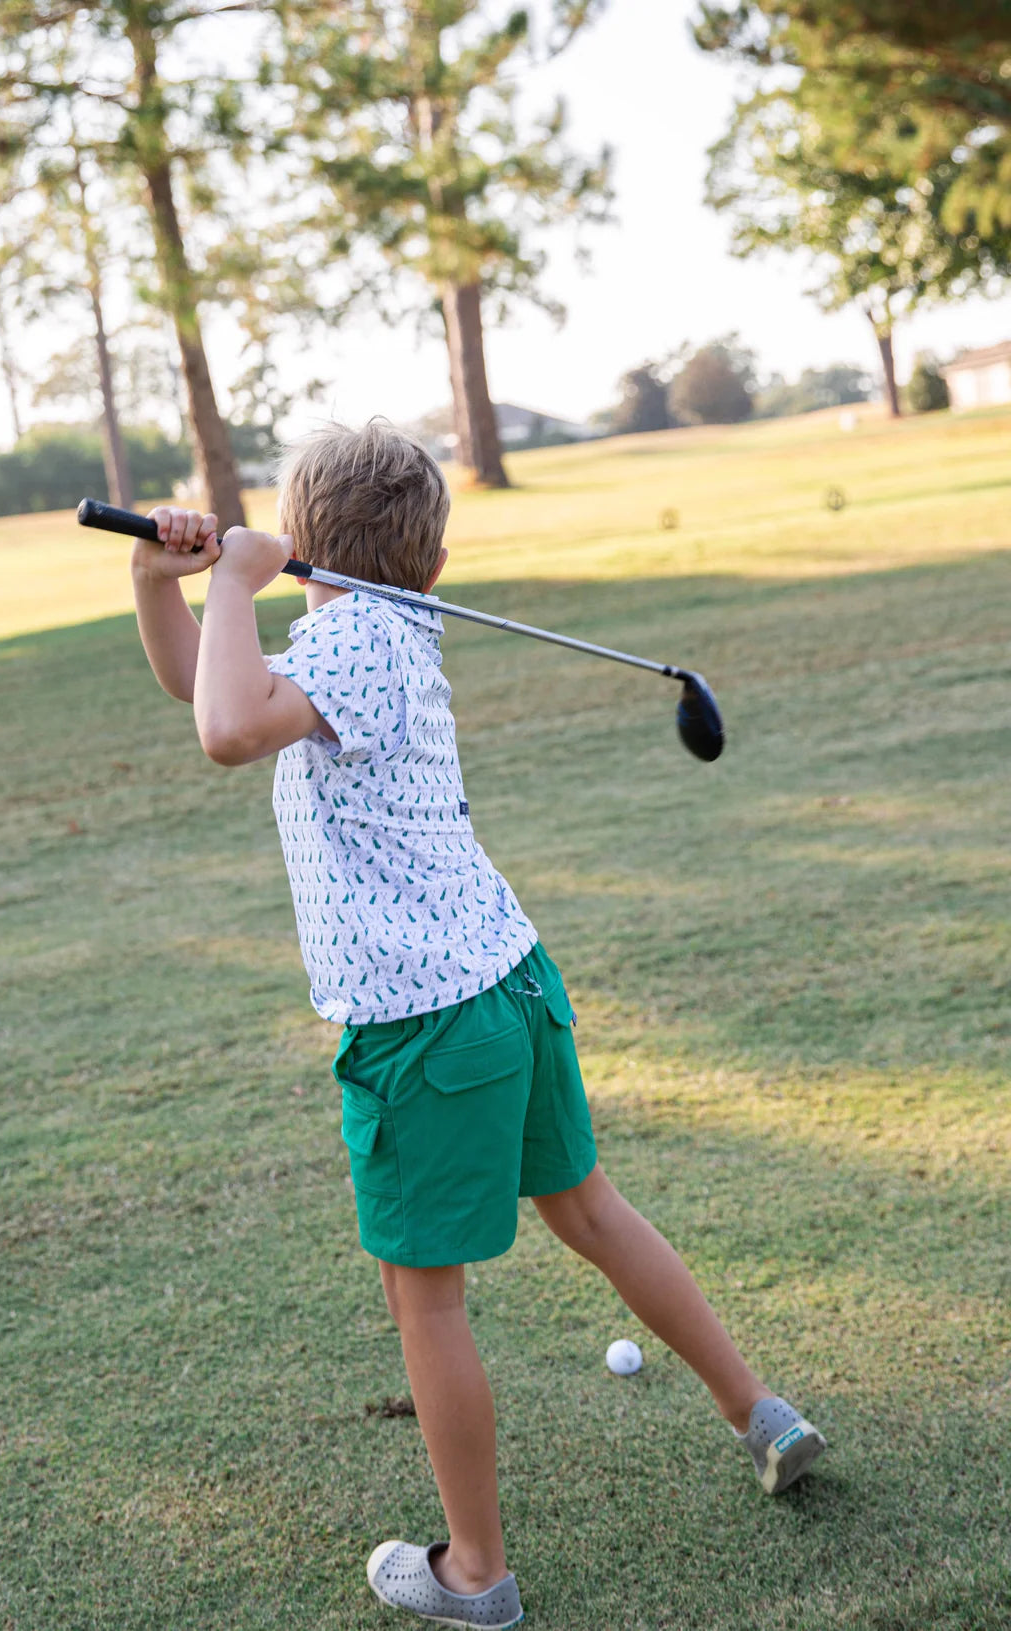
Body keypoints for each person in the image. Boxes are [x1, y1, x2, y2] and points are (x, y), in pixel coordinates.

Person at [130, 421, 825, 1629]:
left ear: (301, 543)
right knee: (591, 1210)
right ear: (432, 564)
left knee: (428, 1300)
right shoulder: (384, 627)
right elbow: (209, 684)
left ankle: (477, 1574)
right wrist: (160, 578)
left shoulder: (344, 640)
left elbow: (228, 731)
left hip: (421, 1029)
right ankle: (761, 1410)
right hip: (506, 980)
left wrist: (235, 577)